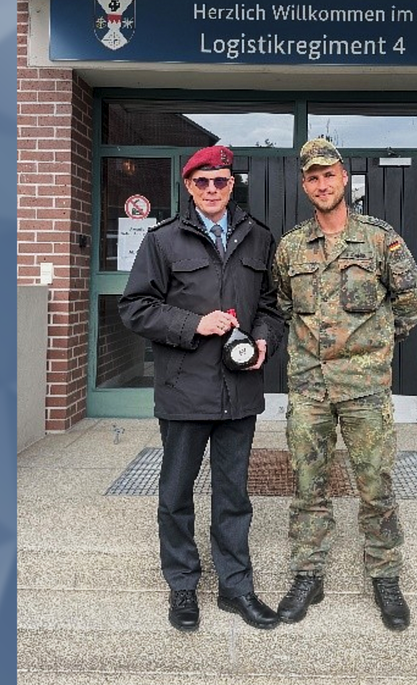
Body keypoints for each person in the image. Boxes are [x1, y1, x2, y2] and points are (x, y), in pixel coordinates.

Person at [119, 145, 284, 632]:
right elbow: (135, 307)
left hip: (240, 390)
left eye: (222, 181)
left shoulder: (258, 238)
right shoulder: (164, 240)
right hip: (183, 390)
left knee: (233, 494)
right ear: (189, 187)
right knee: (175, 492)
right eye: (203, 182)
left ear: (233, 185)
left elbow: (272, 308)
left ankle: (236, 588)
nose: (213, 189)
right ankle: (183, 586)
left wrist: (263, 341)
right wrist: (195, 322)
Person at [272, 138, 417, 631]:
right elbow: (282, 305)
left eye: (329, 174)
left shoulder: (381, 241)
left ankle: (385, 576)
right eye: (312, 177)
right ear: (305, 185)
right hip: (309, 389)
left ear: (345, 179)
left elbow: (413, 302)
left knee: (375, 486)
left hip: (364, 389)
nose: (322, 184)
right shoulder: (292, 247)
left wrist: (374, 347)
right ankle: (308, 573)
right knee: (307, 486)